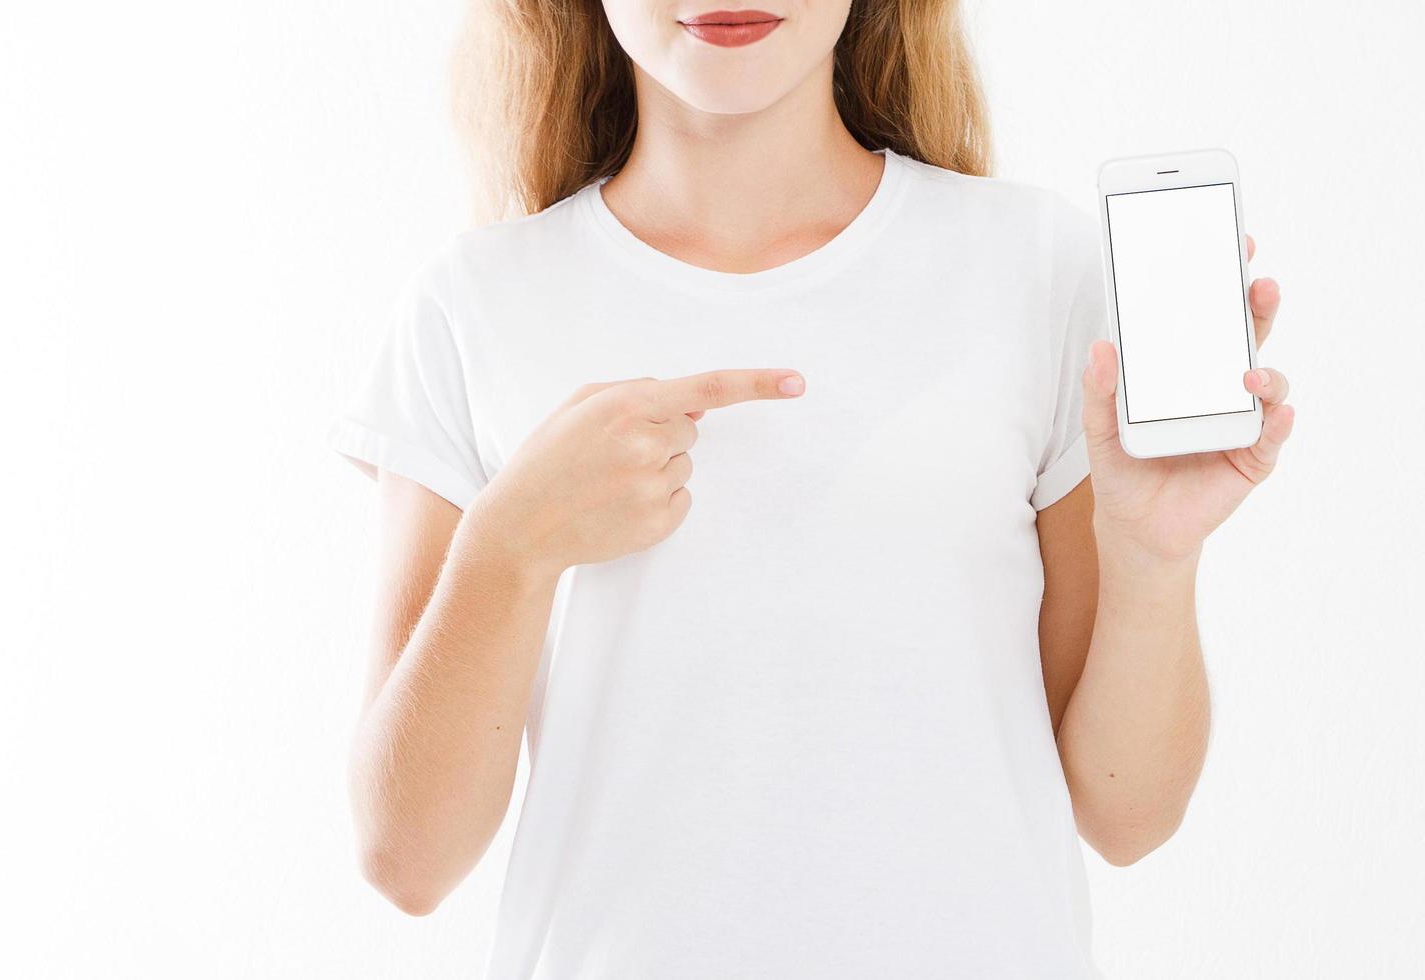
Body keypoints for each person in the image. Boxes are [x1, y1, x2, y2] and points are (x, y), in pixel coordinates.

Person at [324, 1, 1297, 976]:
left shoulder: (1034, 269)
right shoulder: (471, 305)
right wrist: (510, 544)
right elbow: (405, 859)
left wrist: (1152, 556)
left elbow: (1128, 814)